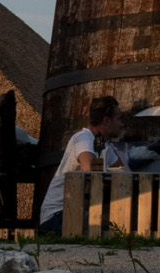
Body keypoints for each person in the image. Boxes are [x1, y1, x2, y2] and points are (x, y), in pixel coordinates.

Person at [38, 97, 129, 234]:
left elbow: (123, 173)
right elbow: (89, 168)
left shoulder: (105, 147)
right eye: (119, 119)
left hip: (76, 212)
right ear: (106, 120)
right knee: (113, 226)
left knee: (120, 222)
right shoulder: (83, 138)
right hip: (57, 216)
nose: (121, 124)